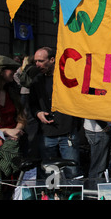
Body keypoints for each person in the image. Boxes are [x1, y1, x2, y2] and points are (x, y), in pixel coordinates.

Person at [29, 47, 82, 178]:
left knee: (72, 172)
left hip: (67, 132)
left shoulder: (66, 77)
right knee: (49, 174)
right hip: (47, 133)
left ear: (52, 60)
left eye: (41, 61)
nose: (37, 64)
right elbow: (32, 104)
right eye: (35, 61)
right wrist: (38, 113)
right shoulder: (37, 80)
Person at [83, 119, 111, 184]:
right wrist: (104, 125)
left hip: (97, 129)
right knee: (98, 166)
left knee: (98, 164)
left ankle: (94, 187)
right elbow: (93, 111)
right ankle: (94, 188)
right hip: (99, 130)